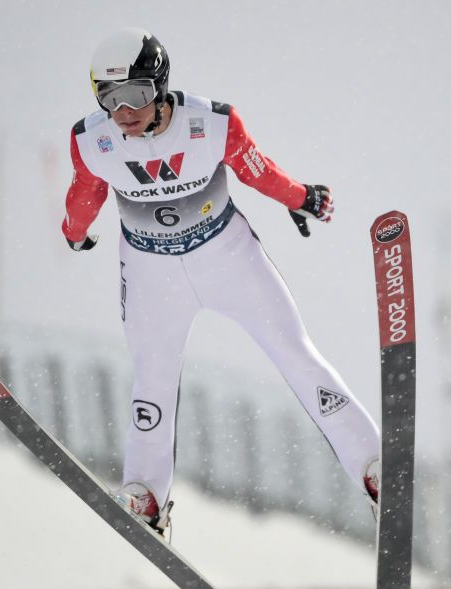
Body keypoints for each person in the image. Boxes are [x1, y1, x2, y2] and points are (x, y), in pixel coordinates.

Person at [61, 27, 381, 536]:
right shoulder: (91, 140)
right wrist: (74, 232)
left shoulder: (210, 123)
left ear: (160, 86)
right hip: (151, 273)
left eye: (137, 95)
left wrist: (300, 197)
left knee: (295, 353)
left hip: (227, 258)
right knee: (152, 377)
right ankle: (145, 493)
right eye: (109, 98)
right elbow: (86, 191)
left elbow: (256, 169)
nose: (124, 112)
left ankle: (372, 467)